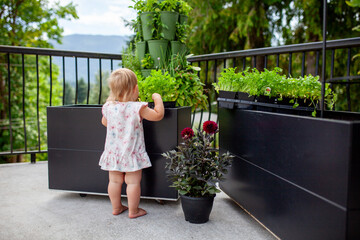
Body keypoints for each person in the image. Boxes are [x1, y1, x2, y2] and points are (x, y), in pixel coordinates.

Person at [99, 68, 164, 219]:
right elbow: (158, 115)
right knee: (133, 183)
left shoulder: (108, 107)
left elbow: (104, 123)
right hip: (131, 153)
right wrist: (157, 98)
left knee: (114, 181)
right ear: (135, 89)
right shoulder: (137, 107)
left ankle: (116, 207)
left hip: (113, 153)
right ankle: (133, 211)